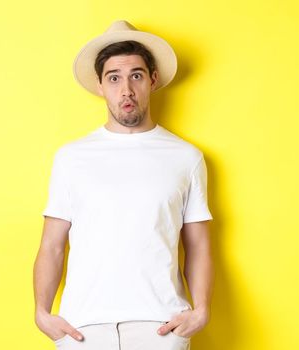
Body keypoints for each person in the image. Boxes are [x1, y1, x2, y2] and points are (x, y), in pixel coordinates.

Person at [33, 20, 214, 350]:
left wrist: (200, 312)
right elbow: (52, 245)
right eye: (114, 78)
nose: (126, 89)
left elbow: (198, 244)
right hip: (82, 328)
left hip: (161, 325)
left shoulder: (186, 157)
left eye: (136, 75)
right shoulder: (71, 157)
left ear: (152, 80)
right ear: (101, 86)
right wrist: (42, 313)